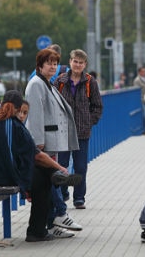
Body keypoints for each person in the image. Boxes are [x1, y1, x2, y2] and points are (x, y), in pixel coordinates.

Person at [0, 90, 80, 242]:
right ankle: (39, 229)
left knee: (42, 174)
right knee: (43, 180)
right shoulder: (11, 124)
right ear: (18, 107)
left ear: (1, 104)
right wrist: (60, 167)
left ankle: (56, 186)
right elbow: (37, 155)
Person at [25, 49, 82, 240]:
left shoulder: (46, 84)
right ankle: (58, 216)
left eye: (55, 63)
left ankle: (53, 222)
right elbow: (35, 115)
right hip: (44, 144)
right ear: (39, 65)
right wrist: (38, 142)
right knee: (50, 182)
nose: (52, 66)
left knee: (51, 182)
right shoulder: (36, 85)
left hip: (51, 142)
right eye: (48, 63)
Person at [54, 49, 103, 210]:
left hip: (82, 132)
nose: (77, 65)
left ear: (85, 65)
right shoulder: (60, 81)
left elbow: (97, 105)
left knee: (81, 166)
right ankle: (62, 193)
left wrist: (90, 121)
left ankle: (79, 197)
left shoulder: (90, 82)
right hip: (63, 131)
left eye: (81, 63)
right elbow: (52, 104)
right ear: (70, 62)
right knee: (61, 165)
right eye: (75, 61)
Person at [133, 66, 145, 134]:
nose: (144, 73)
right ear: (139, 72)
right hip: (140, 99)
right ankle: (144, 130)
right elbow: (136, 90)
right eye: (143, 71)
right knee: (144, 115)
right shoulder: (137, 80)